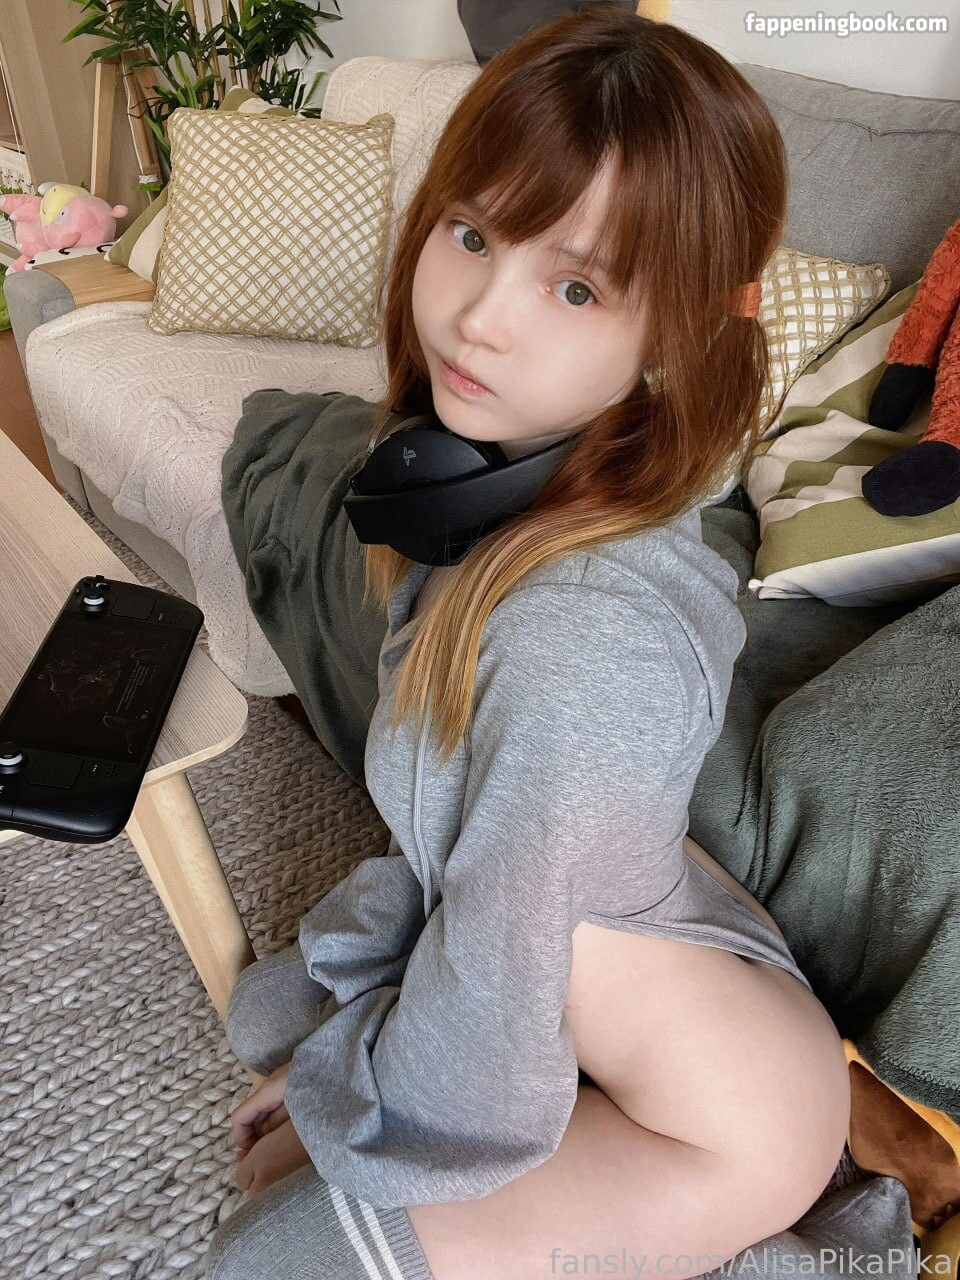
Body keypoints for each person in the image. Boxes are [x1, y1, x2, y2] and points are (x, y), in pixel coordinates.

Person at [207, 7, 852, 1279]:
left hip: (720, 1129)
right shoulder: (492, 497)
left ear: (672, 334)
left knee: (268, 1253)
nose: (478, 318)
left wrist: (359, 1097)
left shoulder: (579, 642)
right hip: (638, 982)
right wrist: (346, 1060)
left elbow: (500, 965)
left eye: (574, 285)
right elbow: (472, 867)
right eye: (471, 233)